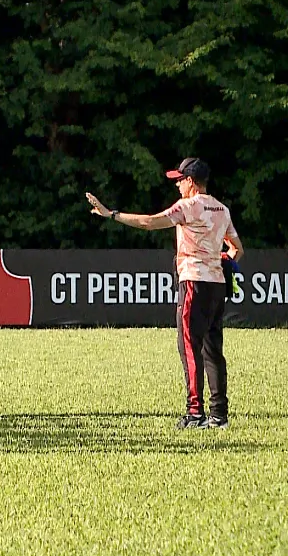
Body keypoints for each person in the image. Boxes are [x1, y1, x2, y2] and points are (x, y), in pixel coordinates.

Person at [86, 157, 244, 429]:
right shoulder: (222, 209)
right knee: (213, 350)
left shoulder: (188, 206)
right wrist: (222, 261)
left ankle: (195, 413)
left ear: (191, 182)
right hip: (217, 285)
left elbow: (149, 222)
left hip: (193, 282)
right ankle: (219, 415)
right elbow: (237, 250)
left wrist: (111, 214)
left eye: (180, 180)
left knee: (189, 347)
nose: (178, 186)